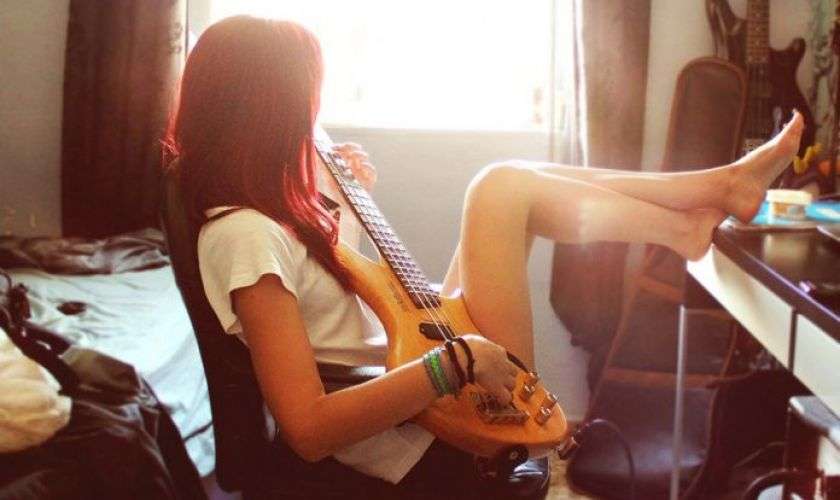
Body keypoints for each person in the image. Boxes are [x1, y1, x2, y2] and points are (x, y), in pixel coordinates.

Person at [163, 15, 804, 499]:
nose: (314, 120)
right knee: (499, 188)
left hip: (414, 370)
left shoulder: (268, 214)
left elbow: (337, 315)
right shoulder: (244, 237)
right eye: (305, 104)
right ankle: (699, 207)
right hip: (423, 428)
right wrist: (457, 363)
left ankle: (697, 209)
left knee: (506, 184)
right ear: (266, 115)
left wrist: (337, 202)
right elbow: (307, 428)